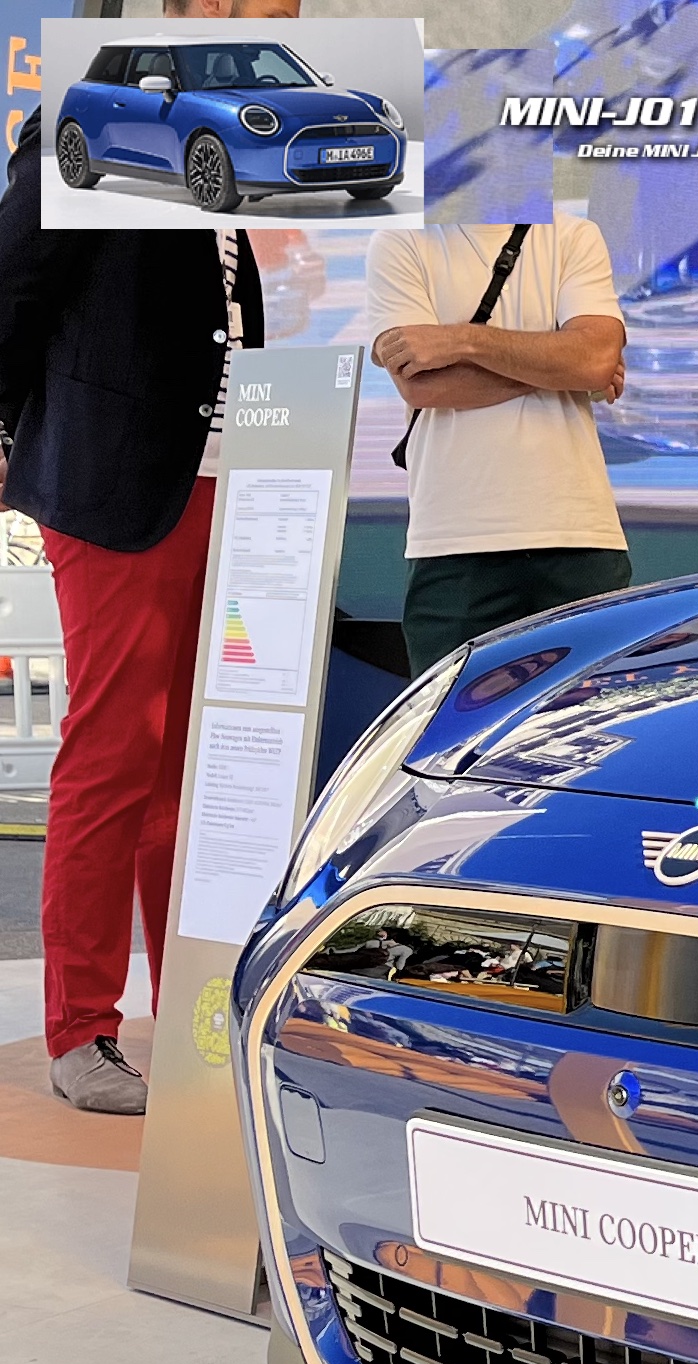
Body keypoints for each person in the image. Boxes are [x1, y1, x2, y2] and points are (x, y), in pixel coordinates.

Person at [0, 49, 264, 1114]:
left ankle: (194, 1017)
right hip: (116, 482)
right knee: (114, 756)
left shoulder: (231, 150)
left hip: (231, 483)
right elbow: (11, 288)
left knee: (191, 774)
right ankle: (81, 1030)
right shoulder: (85, 125)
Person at [365, 222, 630, 676]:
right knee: (451, 719)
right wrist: (562, 366)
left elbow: (594, 360)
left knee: (587, 718)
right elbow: (426, 387)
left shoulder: (573, 234)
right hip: (455, 539)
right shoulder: (399, 241)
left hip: (580, 534)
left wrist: (461, 340)